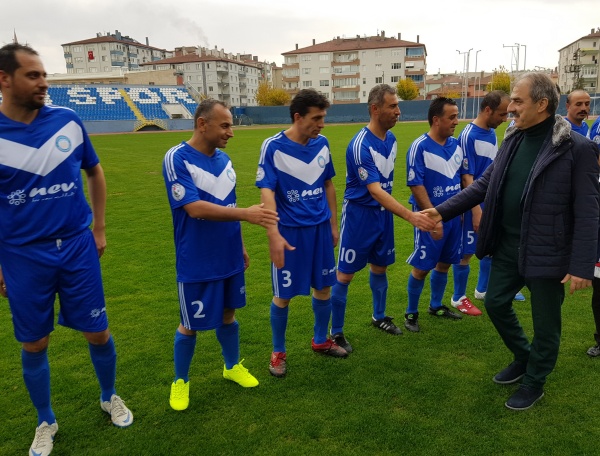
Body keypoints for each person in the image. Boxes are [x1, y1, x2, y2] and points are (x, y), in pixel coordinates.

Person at [423, 73, 599, 410]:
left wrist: (581, 265)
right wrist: (441, 212)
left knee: (546, 324)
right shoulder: (513, 137)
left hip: (548, 249)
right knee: (495, 303)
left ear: (542, 104)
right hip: (507, 245)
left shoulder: (577, 148)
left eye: (518, 101)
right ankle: (524, 356)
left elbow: (589, 211)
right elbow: (484, 184)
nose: (511, 108)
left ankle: (535, 381)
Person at [0, 43, 133, 456]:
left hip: (77, 246)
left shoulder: (67, 121)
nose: (43, 83)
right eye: (33, 75)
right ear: (5, 80)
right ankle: (46, 420)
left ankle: (109, 396)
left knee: (98, 331)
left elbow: (95, 171)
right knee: (34, 343)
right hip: (23, 255)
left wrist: (99, 228)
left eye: (44, 74)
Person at [163, 99, 279, 410]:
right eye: (225, 125)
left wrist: (240, 245)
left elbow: (230, 203)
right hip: (197, 258)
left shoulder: (225, 160)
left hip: (228, 254)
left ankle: (231, 366)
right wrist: (246, 215)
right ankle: (180, 381)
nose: (231, 132)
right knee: (190, 323)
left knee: (229, 314)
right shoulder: (177, 158)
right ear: (202, 124)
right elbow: (193, 208)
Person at [330, 84, 436, 350]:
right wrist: (411, 216)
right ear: (375, 109)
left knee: (380, 267)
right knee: (345, 275)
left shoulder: (392, 140)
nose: (398, 111)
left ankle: (379, 316)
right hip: (359, 215)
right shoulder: (360, 145)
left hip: (383, 216)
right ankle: (336, 332)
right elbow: (375, 191)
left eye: (398, 106)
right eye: (393, 106)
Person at [256, 89, 346, 378]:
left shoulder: (322, 144)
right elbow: (266, 190)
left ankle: (320, 340)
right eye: (316, 118)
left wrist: (333, 225)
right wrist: (273, 231)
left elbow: (328, 184)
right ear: (298, 117)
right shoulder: (273, 146)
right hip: (290, 233)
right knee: (283, 295)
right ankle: (278, 352)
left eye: (323, 118)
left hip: (320, 229)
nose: (322, 124)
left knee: (324, 287)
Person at [451, 91, 510, 315]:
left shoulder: (491, 132)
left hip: (490, 201)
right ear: (487, 110)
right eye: (501, 114)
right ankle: (458, 297)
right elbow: (467, 178)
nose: (505, 119)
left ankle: (483, 290)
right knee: (466, 252)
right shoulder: (468, 136)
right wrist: (475, 211)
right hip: (473, 203)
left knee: (491, 246)